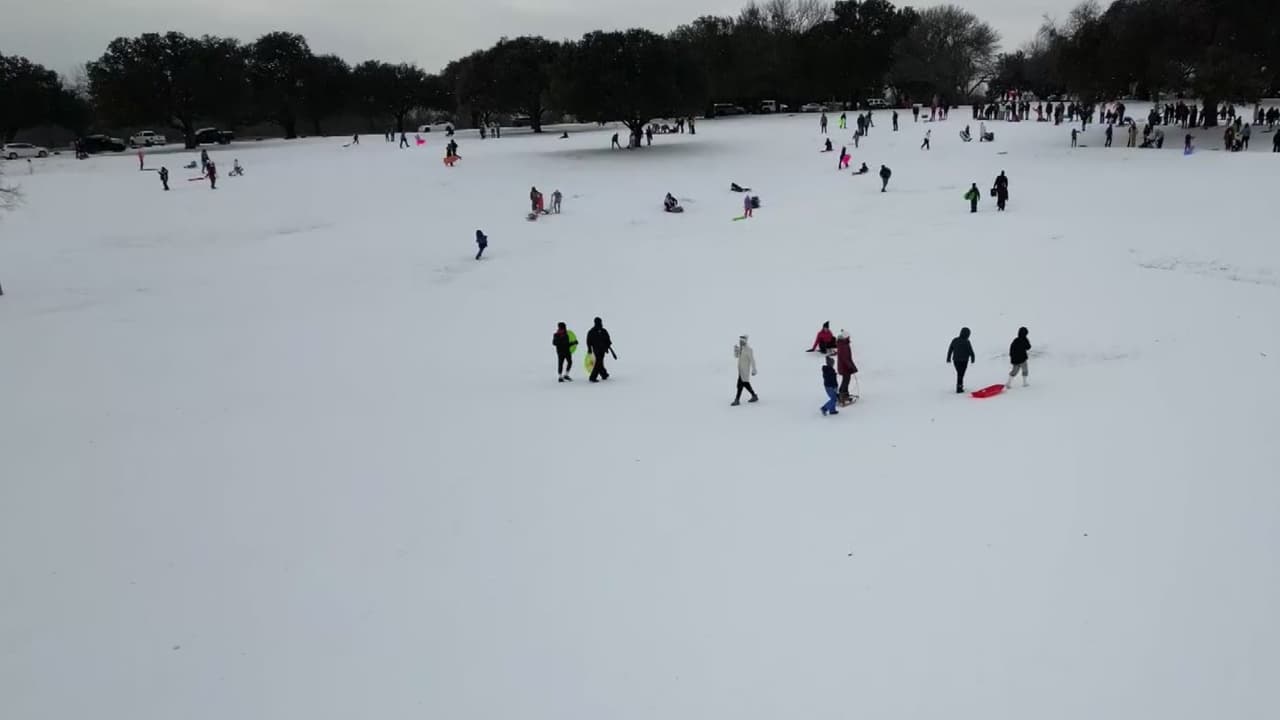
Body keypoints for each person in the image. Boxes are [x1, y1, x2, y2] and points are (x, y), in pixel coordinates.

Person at [731, 335, 759, 406]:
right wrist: (736, 350)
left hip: (745, 371)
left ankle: (737, 400)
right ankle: (754, 395)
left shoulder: (748, 350)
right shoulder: (741, 349)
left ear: (745, 342)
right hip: (740, 370)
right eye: (740, 341)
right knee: (745, 384)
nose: (740, 342)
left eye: (742, 341)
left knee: (740, 385)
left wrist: (754, 370)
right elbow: (736, 356)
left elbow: (752, 360)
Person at [947, 327, 976, 394]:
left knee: (960, 373)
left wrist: (948, 358)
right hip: (964, 361)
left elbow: (950, 349)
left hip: (956, 360)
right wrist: (973, 358)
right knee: (961, 374)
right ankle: (959, 388)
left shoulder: (955, 340)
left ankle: (960, 386)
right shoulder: (967, 341)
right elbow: (970, 351)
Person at [586, 317, 613, 382]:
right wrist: (589, 349)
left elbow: (607, 339)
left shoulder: (603, 331)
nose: (599, 323)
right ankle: (592, 377)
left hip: (603, 349)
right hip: (596, 350)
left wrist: (608, 346)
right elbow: (589, 341)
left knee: (600, 362)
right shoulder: (592, 331)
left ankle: (604, 374)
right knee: (598, 362)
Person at [835, 331, 858, 405]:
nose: (849, 338)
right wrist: (851, 367)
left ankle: (845, 394)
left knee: (846, 380)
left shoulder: (843, 344)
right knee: (846, 381)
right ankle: (842, 395)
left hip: (844, 366)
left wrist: (852, 366)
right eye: (848, 337)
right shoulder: (843, 345)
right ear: (846, 337)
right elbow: (845, 358)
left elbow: (848, 358)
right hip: (844, 367)